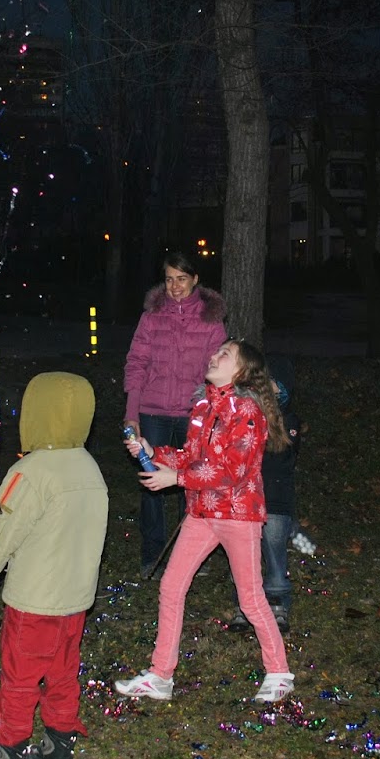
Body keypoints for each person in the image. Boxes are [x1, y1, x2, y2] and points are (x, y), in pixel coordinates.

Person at [116, 339, 296, 704]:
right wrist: (154, 452)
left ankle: (279, 673)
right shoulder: (204, 405)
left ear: (241, 371)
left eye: (224, 355)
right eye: (215, 353)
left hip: (238, 515)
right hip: (201, 513)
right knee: (171, 587)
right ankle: (161, 675)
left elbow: (233, 471)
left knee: (250, 598)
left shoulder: (248, 410)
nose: (213, 356)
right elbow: (191, 456)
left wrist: (176, 479)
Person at [0, 372, 108, 759]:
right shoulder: (89, 467)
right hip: (75, 601)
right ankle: (58, 749)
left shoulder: (31, 471)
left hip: (34, 603)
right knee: (63, 674)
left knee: (20, 679)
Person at [122, 251, 227, 577]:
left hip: (191, 414)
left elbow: (220, 370)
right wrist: (132, 413)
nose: (175, 286)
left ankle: (190, 556)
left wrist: (211, 413)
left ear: (195, 279)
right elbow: (136, 364)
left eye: (182, 279)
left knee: (192, 485)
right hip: (152, 412)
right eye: (169, 279)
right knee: (151, 483)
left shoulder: (210, 320)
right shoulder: (151, 317)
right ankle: (152, 555)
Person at [230, 354, 300, 634]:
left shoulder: (288, 420)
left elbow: (281, 457)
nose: (264, 387)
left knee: (274, 551)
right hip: (245, 501)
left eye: (271, 382)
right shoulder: (245, 414)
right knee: (244, 556)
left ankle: (277, 603)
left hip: (275, 501)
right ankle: (244, 606)